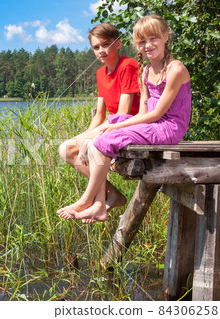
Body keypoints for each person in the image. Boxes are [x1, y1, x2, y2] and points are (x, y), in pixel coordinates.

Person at [57, 14, 191, 223]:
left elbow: (157, 114)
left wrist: (113, 129)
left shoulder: (176, 69)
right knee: (103, 134)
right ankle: (99, 205)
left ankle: (86, 200)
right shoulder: (146, 71)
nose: (148, 45)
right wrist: (109, 127)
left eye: (153, 38)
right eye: (142, 42)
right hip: (151, 123)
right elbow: (142, 113)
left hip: (168, 127)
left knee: (105, 137)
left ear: (166, 37)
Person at [57, 23, 140, 216]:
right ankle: (111, 197)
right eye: (96, 47)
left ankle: (96, 202)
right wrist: (85, 136)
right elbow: (100, 115)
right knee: (66, 149)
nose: (101, 50)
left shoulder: (128, 66)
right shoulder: (100, 73)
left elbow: (123, 113)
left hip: (130, 124)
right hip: (112, 123)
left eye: (106, 44)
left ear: (118, 44)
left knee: (89, 145)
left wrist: (90, 139)